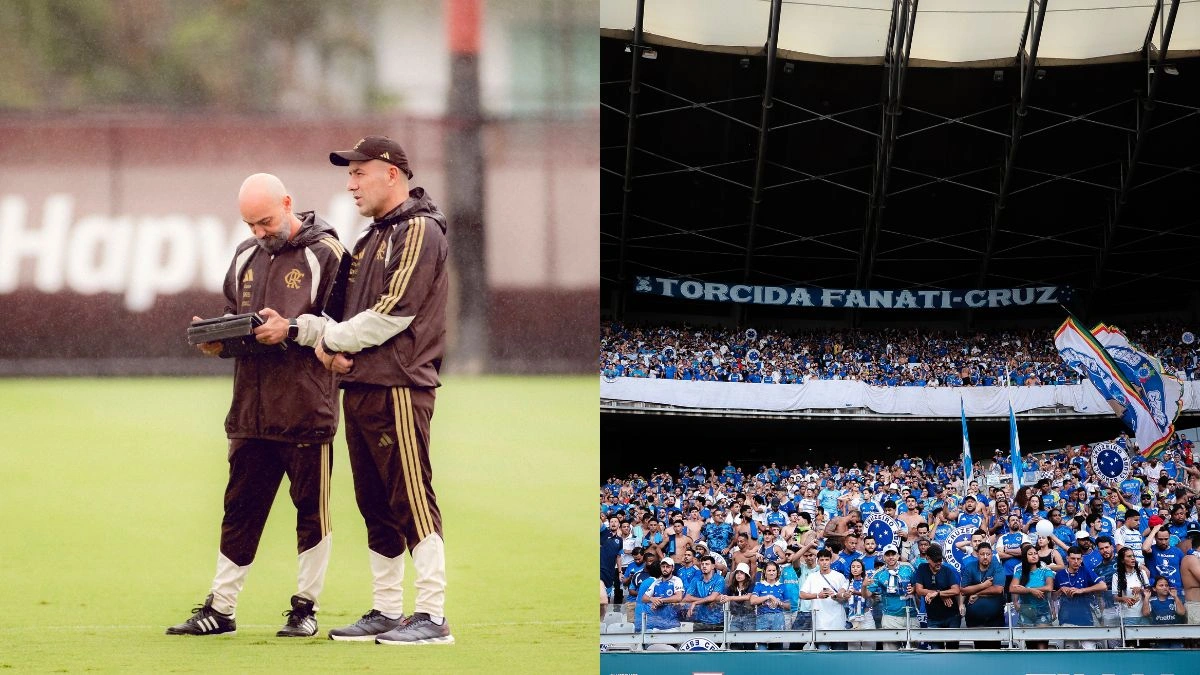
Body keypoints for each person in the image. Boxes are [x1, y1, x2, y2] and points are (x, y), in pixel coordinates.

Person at [258, 136, 454, 645]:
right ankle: (388, 610)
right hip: (362, 384)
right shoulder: (367, 240)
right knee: (375, 502)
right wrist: (314, 337)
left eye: (359, 173)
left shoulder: (419, 229)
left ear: (391, 173)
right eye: (348, 174)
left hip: (400, 385)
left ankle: (432, 615)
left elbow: (394, 312)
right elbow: (337, 316)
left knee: (411, 497)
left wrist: (323, 338)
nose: (350, 183)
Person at [167, 173, 345, 638]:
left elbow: (345, 326)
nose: (259, 233)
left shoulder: (326, 252)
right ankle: (221, 609)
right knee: (239, 509)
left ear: (288, 203)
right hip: (250, 410)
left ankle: (306, 609)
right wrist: (219, 340)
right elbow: (236, 319)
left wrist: (290, 329)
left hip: (308, 409)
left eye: (265, 221)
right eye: (250, 224)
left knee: (313, 513)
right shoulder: (246, 254)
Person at [864, 543, 917, 650]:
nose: (891, 557)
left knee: (913, 651)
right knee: (890, 652)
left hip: (910, 615)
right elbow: (867, 595)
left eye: (893, 554)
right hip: (890, 617)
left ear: (898, 555)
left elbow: (918, 584)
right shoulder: (879, 573)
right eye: (888, 555)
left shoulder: (908, 567)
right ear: (883, 557)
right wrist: (864, 586)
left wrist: (914, 589)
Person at [1054, 546, 1106, 649]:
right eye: (1073, 559)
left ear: (1081, 559)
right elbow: (1053, 597)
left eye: (1078, 559)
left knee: (1089, 649)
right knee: (1070, 651)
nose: (1076, 561)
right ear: (1067, 559)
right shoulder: (1059, 575)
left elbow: (1103, 586)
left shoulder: (1085, 571)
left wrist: (1082, 590)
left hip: (1085, 617)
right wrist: (1061, 590)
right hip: (1067, 618)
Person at [913, 544, 961, 649]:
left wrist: (938, 594)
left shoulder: (947, 570)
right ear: (928, 558)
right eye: (935, 560)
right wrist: (940, 594)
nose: (939, 562)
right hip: (933, 618)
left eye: (940, 559)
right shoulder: (922, 568)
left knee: (952, 650)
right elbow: (919, 590)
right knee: (935, 651)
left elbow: (956, 590)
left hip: (951, 616)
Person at [800, 548, 849, 650]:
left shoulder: (839, 576)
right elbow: (802, 594)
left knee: (840, 656)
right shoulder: (812, 577)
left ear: (831, 560)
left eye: (827, 559)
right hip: (820, 624)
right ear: (818, 561)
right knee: (822, 655)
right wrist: (818, 595)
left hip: (838, 623)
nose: (824, 563)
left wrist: (836, 596)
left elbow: (844, 597)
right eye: (822, 560)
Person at [959, 541, 1005, 649]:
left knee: (995, 650)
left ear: (992, 555)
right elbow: (964, 590)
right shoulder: (970, 567)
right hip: (975, 619)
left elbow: (998, 589)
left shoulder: (997, 567)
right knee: (979, 649)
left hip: (995, 619)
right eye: (982, 554)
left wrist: (977, 593)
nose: (985, 557)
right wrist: (983, 585)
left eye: (988, 554)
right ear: (977, 555)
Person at [1009, 542, 1054, 649]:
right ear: (1025, 557)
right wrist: (1030, 591)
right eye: (1030, 554)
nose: (1034, 556)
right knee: (1030, 647)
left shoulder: (1045, 570)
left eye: (1035, 553)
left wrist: (1027, 589)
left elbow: (1049, 587)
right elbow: (1012, 588)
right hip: (1026, 612)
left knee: (1042, 646)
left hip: (1042, 611)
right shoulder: (1019, 572)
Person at [751, 561, 791, 650]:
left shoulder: (782, 586)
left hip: (778, 619)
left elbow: (788, 606)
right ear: (764, 572)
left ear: (777, 572)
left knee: (777, 650)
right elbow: (752, 601)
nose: (772, 573)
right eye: (769, 570)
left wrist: (780, 603)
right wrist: (768, 597)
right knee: (761, 648)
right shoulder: (759, 585)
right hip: (762, 619)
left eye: (774, 570)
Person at [682, 554, 726, 631]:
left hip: (717, 620)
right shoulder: (696, 579)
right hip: (699, 619)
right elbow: (687, 598)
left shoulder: (719, 579)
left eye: (707, 564)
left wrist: (695, 602)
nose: (704, 566)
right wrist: (706, 600)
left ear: (713, 566)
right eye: (702, 564)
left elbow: (712, 597)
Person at [719, 563, 757, 650]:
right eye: (737, 573)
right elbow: (722, 597)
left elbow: (748, 597)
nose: (738, 575)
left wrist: (730, 598)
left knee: (749, 645)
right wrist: (722, 598)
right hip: (735, 617)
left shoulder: (751, 585)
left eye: (741, 573)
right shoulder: (731, 587)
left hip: (749, 617)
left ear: (746, 575)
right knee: (735, 644)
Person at [1111, 546, 1150, 627]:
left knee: (1145, 639)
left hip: (1143, 614)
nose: (1133, 558)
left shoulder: (1142, 573)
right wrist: (1124, 598)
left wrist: (1141, 589)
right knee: (1130, 639)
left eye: (1133, 556)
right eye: (1129, 556)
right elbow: (1114, 597)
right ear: (1122, 560)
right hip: (1127, 616)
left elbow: (1149, 591)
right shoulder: (1116, 576)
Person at [642, 557, 684, 630]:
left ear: (672, 568)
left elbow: (678, 597)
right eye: (663, 566)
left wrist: (660, 601)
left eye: (668, 567)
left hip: (672, 623)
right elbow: (644, 598)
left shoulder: (676, 580)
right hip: (657, 622)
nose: (665, 569)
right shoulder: (656, 582)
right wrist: (651, 599)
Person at [1144, 575, 1185, 647]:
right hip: (1159, 637)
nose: (1165, 587)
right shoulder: (1151, 601)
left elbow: (1182, 613)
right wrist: (1146, 598)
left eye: (1166, 585)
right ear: (1154, 588)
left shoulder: (1174, 599)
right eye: (1161, 585)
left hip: (1176, 636)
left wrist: (1175, 596)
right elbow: (1145, 613)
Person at [845, 559, 876, 651]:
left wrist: (856, 591)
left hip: (866, 616)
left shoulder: (868, 581)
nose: (855, 569)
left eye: (858, 567)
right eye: (853, 567)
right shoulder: (846, 583)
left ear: (862, 570)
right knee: (853, 649)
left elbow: (867, 595)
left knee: (869, 648)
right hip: (852, 617)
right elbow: (841, 595)